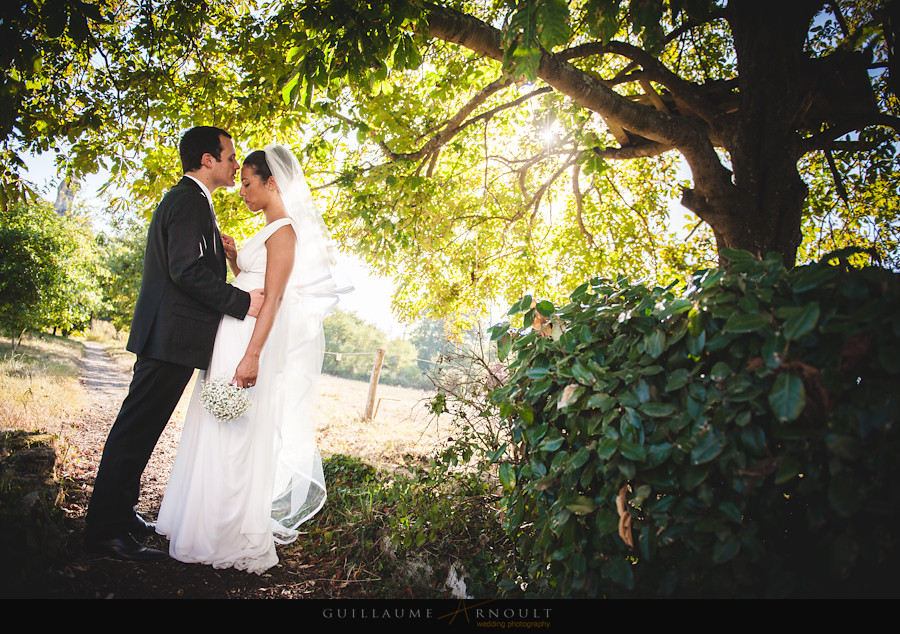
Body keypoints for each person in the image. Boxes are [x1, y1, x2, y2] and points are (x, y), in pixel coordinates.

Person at [155, 144, 350, 574]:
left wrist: (253, 356)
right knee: (214, 426)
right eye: (239, 181)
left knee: (237, 433)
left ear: (272, 182)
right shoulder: (266, 229)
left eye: (247, 182)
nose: (241, 190)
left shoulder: (285, 231)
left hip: (248, 341)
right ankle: (199, 519)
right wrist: (233, 256)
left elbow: (275, 297)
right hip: (230, 334)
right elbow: (254, 277)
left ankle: (226, 529)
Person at [84, 126, 265, 562]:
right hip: (170, 336)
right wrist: (243, 303)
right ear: (207, 160)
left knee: (142, 430)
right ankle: (103, 532)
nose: (233, 165)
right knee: (135, 431)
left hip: (173, 337)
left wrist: (225, 256)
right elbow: (186, 271)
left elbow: (191, 264)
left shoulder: (193, 202)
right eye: (228, 157)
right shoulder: (187, 200)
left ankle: (120, 514)